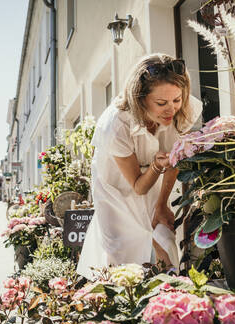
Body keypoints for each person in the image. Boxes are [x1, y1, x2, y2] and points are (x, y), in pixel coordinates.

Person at [77, 53, 202, 279]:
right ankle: (122, 300)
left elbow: (173, 161)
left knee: (162, 233)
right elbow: (138, 187)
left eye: (177, 99)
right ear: (140, 98)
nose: (171, 109)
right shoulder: (115, 125)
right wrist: (155, 165)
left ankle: (169, 294)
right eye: (161, 103)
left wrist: (162, 204)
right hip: (115, 186)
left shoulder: (179, 110)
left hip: (151, 177)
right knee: (123, 250)